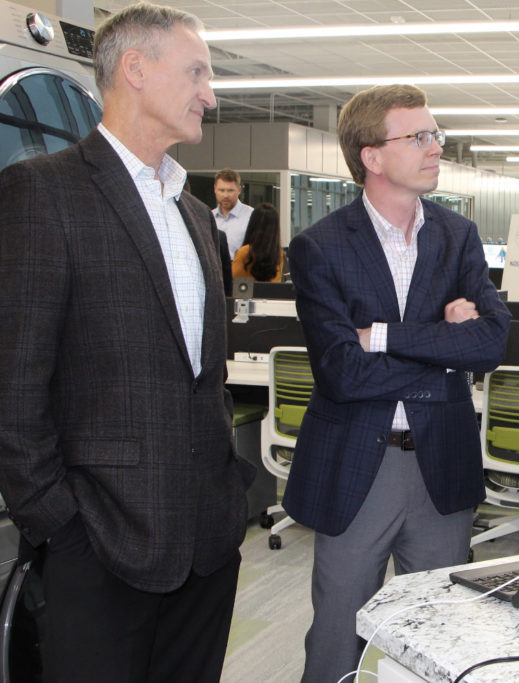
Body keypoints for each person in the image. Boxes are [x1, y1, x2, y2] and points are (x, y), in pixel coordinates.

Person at [0, 3, 255, 681]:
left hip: (206, 542)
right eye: (197, 71)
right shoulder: (43, 192)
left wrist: (230, 498)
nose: (211, 92)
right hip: (102, 543)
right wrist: (61, 526)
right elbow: (13, 388)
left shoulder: (196, 215)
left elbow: (204, 377)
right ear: (135, 70)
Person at [282, 84, 511, 680]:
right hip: (361, 463)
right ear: (372, 156)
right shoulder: (320, 247)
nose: (437, 147)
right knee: (338, 636)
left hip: (442, 461)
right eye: (419, 137)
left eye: (435, 134)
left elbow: (490, 343)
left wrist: (384, 335)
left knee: (439, 636)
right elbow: (342, 371)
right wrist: (442, 343)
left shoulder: (457, 236)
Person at [232, 202, 284, 282]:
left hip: (245, 294)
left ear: (252, 224)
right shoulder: (278, 254)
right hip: (271, 294)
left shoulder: (244, 252)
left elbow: (234, 281)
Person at [212, 167, 253, 257]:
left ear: (239, 190)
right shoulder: (208, 217)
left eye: (230, 190)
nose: (225, 195)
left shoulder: (251, 216)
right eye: (221, 190)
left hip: (240, 269)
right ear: (215, 189)